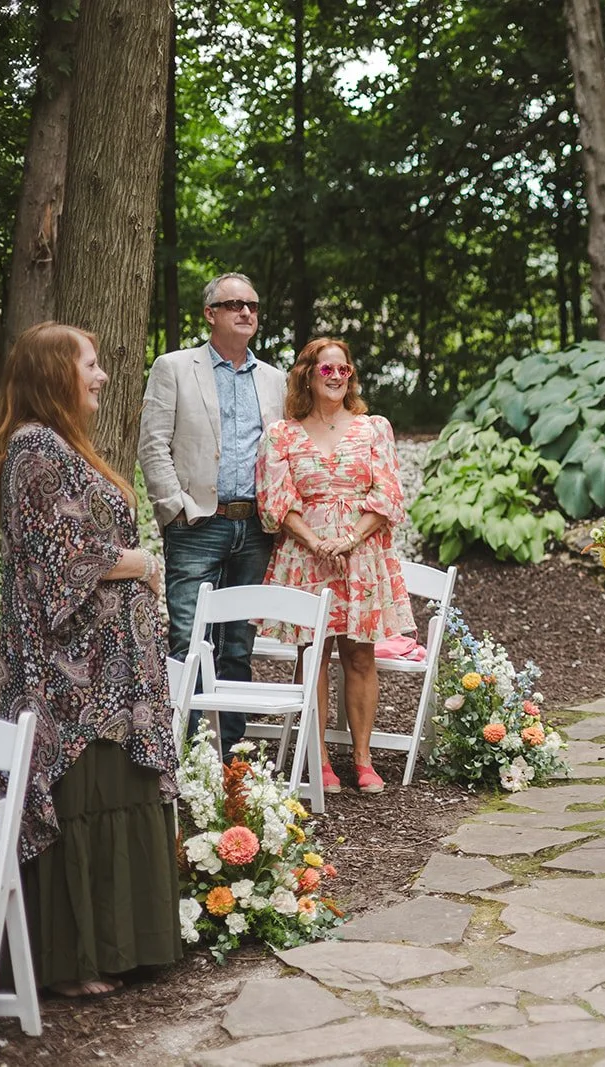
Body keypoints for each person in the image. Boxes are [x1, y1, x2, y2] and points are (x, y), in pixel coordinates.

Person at [0, 323, 183, 997]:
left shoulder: (63, 444)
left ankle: (124, 947)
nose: (101, 375)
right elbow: (64, 556)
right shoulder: (35, 447)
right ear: (55, 375)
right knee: (84, 798)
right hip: (70, 679)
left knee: (117, 794)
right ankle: (73, 961)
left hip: (110, 676)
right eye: (90, 365)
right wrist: (143, 562)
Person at [255, 337, 414, 794]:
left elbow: (388, 496)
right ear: (307, 375)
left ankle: (362, 760)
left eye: (344, 370)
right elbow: (275, 501)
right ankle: (319, 758)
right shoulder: (282, 435)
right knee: (314, 654)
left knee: (361, 655)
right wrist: (315, 541)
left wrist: (348, 539)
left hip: (360, 557)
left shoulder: (373, 429)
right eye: (327, 369)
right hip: (305, 556)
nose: (337, 377)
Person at [139, 272, 286, 754]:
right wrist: (175, 510)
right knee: (188, 638)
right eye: (234, 304)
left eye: (252, 305)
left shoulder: (274, 380)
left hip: (256, 528)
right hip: (197, 524)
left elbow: (283, 451)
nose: (246, 312)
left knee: (238, 644)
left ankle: (229, 757)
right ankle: (184, 754)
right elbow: (153, 444)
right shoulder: (175, 367)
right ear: (210, 314)